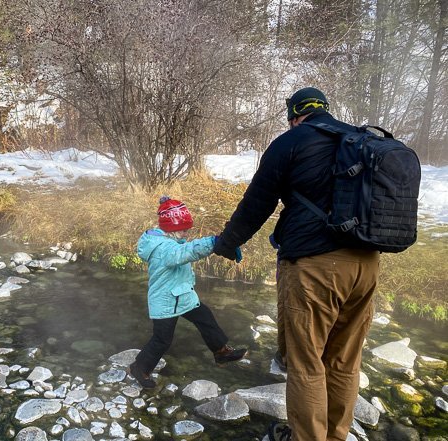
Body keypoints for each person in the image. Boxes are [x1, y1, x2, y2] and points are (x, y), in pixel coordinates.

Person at [213, 88, 380, 441]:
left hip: (315, 265)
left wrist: (228, 243)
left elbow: (257, 202)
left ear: (294, 115)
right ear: (325, 110)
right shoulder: (360, 140)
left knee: (306, 363)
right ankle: (336, 435)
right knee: (345, 361)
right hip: (366, 265)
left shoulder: (292, 141)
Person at [128, 196, 247, 389]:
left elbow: (186, 249)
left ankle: (221, 352)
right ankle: (139, 368)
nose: (187, 232)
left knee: (205, 317)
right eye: (183, 229)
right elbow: (188, 252)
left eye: (187, 228)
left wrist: (223, 242)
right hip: (166, 300)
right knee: (162, 340)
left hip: (182, 295)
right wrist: (214, 242)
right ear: (170, 229)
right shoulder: (165, 248)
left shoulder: (169, 240)